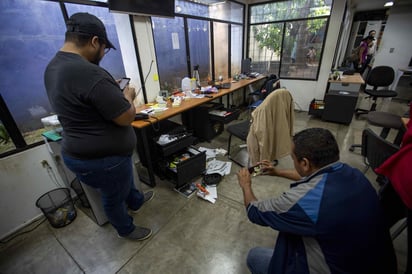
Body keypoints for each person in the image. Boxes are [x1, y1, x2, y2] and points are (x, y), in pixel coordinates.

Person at [44, 12, 154, 241]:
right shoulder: (89, 72)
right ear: (95, 41)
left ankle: (136, 200)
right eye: (105, 48)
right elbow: (126, 117)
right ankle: (126, 229)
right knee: (114, 196)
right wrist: (128, 95)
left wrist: (107, 91)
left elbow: (84, 99)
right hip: (103, 161)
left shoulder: (54, 67)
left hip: (83, 154)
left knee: (123, 185)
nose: (103, 54)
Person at [237, 128, 397, 274]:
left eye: (293, 159)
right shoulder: (355, 175)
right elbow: (316, 177)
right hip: (374, 264)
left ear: (304, 163)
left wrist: (246, 185)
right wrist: (277, 172)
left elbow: (255, 211)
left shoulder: (304, 202)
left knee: (255, 256)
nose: (292, 161)